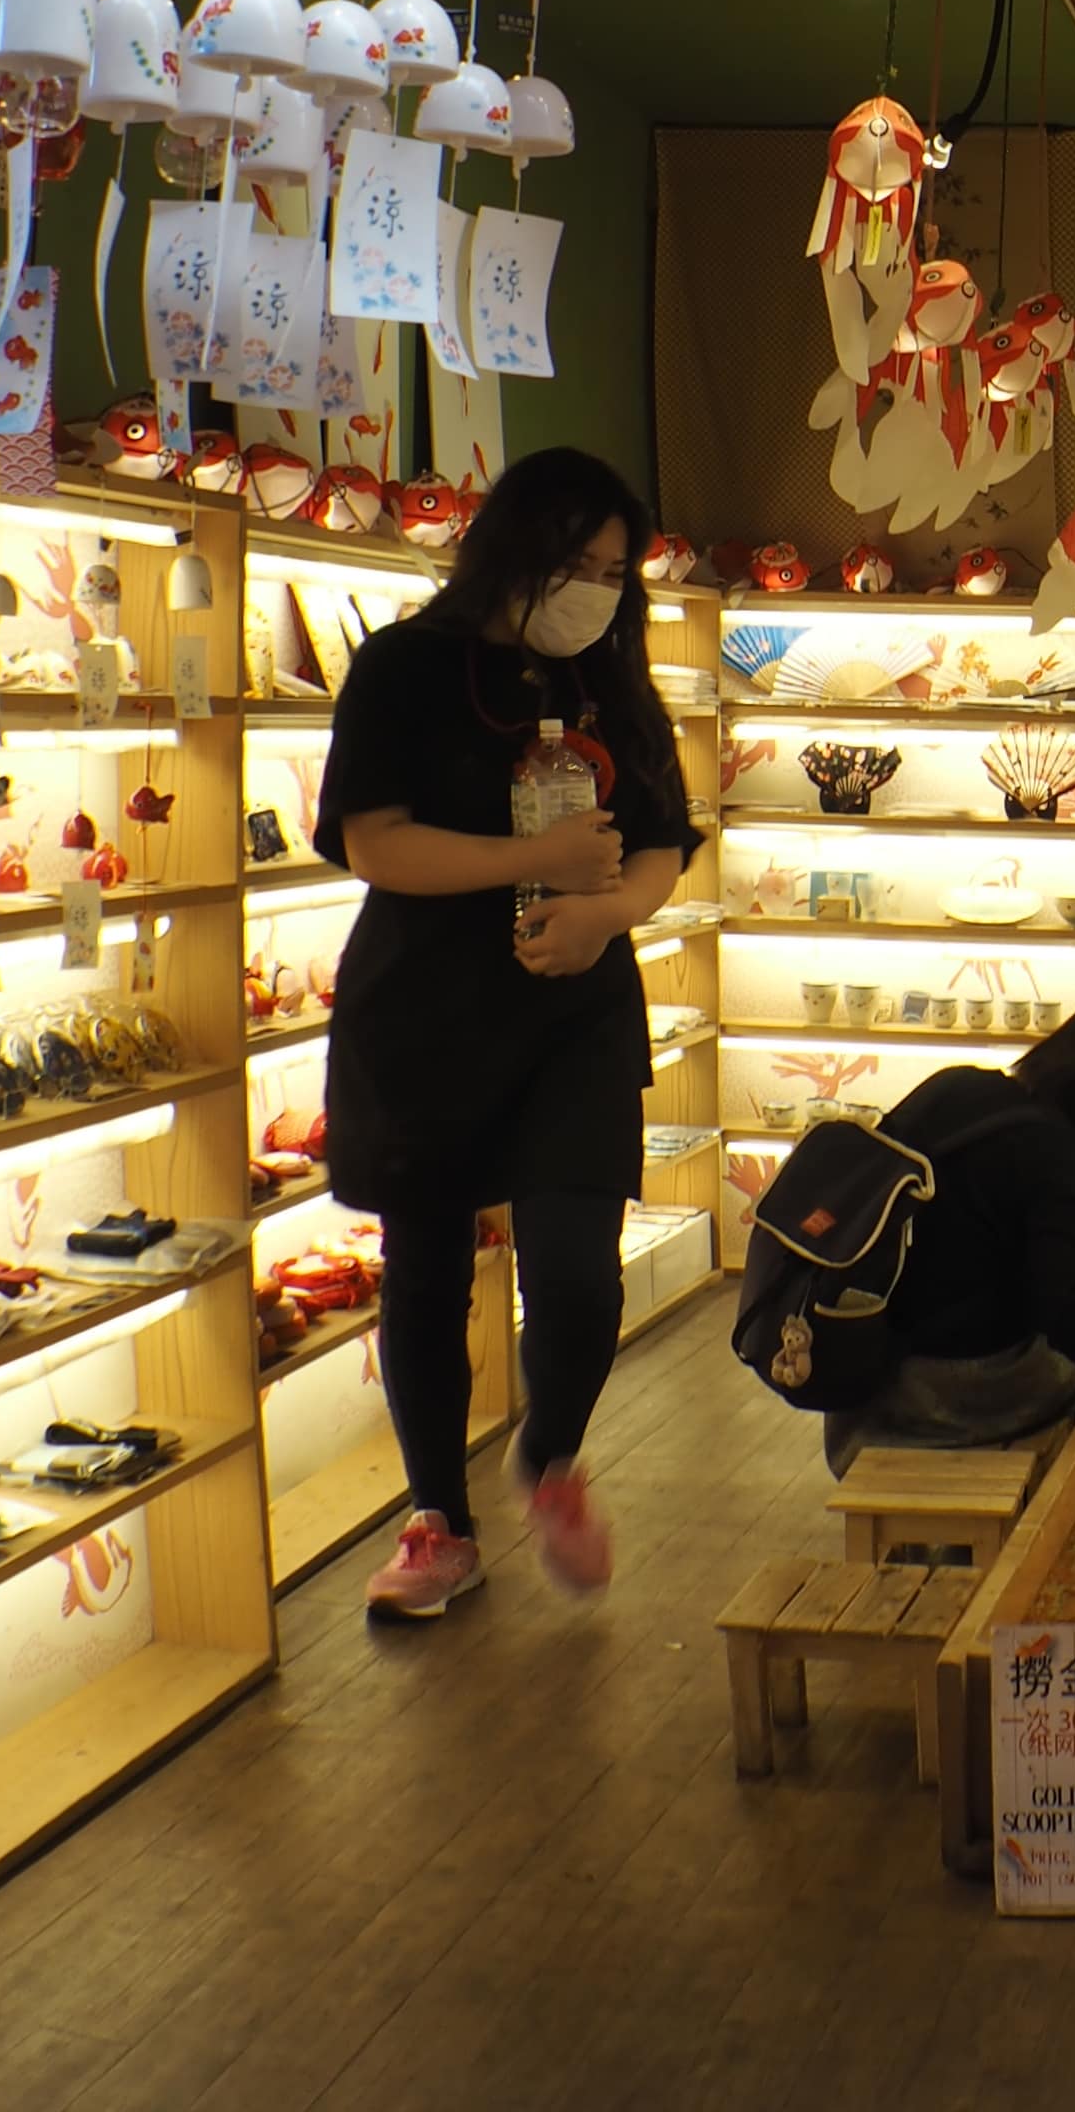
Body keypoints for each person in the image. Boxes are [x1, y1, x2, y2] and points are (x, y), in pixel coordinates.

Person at [317, 447, 701, 1621]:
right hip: (426, 1011)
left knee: (580, 1276)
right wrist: (535, 862)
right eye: (574, 563)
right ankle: (438, 1519)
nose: (593, 589)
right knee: (427, 1274)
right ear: (512, 547)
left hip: (573, 1015)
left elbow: (661, 840)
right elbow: (375, 842)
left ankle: (550, 1454)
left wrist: (607, 915)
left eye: (611, 572)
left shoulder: (613, 680)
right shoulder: (406, 667)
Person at [825, 983, 1075, 1470]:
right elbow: (1072, 1314)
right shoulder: (1055, 1155)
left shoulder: (959, 1086)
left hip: (856, 1381)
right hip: (934, 1401)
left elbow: (975, 1202)